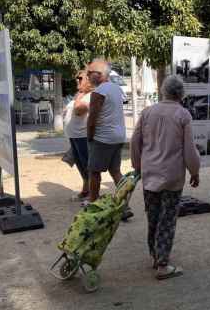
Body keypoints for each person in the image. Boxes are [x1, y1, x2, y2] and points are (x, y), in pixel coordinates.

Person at [130, 75, 201, 280]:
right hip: (172, 177)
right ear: (181, 94)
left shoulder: (147, 112)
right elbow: (189, 148)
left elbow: (135, 142)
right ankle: (162, 264)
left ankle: (155, 255)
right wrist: (194, 171)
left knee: (153, 218)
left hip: (150, 175)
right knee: (167, 220)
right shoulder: (183, 115)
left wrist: (137, 166)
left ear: (163, 91)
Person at [85, 60, 127, 204]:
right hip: (118, 136)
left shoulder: (99, 91)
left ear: (101, 74)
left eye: (90, 72)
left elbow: (92, 118)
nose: (88, 75)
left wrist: (89, 137)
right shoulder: (116, 88)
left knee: (94, 172)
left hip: (103, 138)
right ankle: (124, 205)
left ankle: (93, 202)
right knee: (115, 171)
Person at [63, 70, 93, 200]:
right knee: (81, 165)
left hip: (83, 136)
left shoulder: (90, 96)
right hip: (74, 136)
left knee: (87, 165)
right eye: (76, 78)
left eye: (80, 78)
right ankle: (86, 189)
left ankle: (93, 193)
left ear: (89, 81)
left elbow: (78, 111)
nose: (77, 80)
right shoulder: (80, 95)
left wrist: (79, 96)